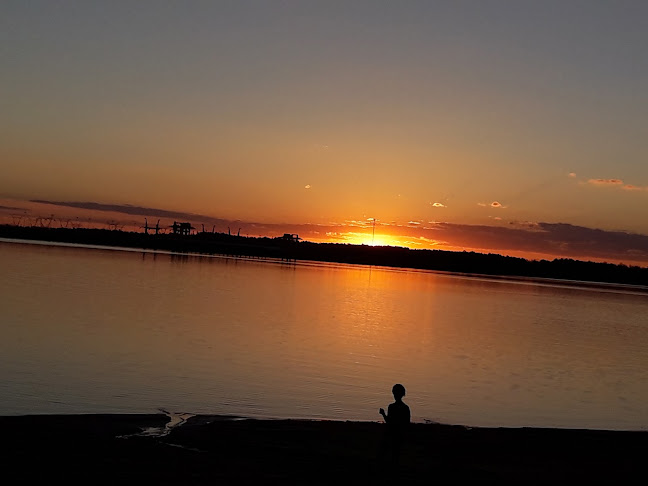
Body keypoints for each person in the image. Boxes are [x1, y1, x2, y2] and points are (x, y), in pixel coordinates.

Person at [379, 383, 411, 466]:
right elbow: (407, 423)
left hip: (391, 434)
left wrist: (383, 414)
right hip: (400, 435)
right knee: (396, 454)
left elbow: (389, 422)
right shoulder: (406, 408)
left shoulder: (392, 407)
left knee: (385, 452)